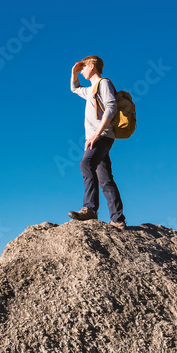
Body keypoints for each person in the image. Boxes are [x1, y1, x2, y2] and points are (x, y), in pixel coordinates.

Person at [68, 56, 126, 229]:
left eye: (84, 67)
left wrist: (96, 134)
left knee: (86, 163)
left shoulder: (104, 83)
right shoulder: (91, 89)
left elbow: (111, 106)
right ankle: (118, 220)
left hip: (102, 135)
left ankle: (90, 208)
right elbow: (75, 88)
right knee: (105, 179)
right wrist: (74, 73)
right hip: (98, 137)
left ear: (92, 66)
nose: (82, 70)